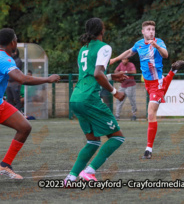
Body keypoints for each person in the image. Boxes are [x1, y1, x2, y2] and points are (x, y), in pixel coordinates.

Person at [64, 18, 128, 183]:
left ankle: (71, 178)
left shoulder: (83, 49)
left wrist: (111, 76)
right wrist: (115, 92)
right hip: (90, 98)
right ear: (102, 30)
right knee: (117, 137)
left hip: (76, 98)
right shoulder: (105, 47)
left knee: (92, 141)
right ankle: (89, 171)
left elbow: (90, 75)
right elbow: (97, 74)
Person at [110, 20, 184, 159]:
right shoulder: (139, 44)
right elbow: (129, 52)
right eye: (148, 29)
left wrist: (156, 45)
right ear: (143, 32)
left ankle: (148, 149)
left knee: (150, 114)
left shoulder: (159, 42)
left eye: (153, 29)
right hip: (148, 84)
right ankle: (172, 72)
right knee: (155, 105)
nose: (151, 31)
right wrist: (115, 59)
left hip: (157, 83)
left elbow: (165, 55)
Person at [0, 28, 60, 179]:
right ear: (13, 42)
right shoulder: (4, 58)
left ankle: (5, 165)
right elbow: (22, 79)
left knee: (24, 127)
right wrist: (47, 79)